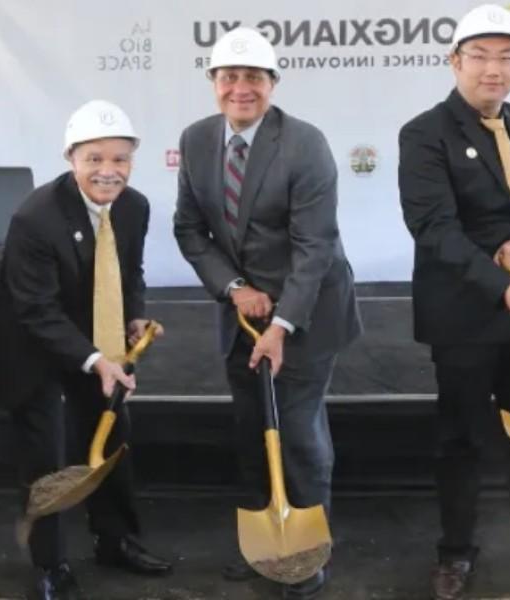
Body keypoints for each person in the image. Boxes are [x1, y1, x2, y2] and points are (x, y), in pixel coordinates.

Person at [396, 5, 510, 599]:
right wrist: (500, 281)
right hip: (462, 313)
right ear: (454, 62)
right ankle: (455, 555)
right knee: (461, 439)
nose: (493, 69)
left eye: (506, 56)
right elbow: (434, 228)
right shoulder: (424, 133)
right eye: (479, 56)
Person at [172, 26, 362, 600]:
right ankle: (265, 542)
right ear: (213, 83)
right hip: (242, 312)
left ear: (273, 83)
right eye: (228, 76)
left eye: (253, 77)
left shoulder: (305, 143)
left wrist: (281, 324)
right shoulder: (198, 139)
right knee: (253, 427)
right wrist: (235, 289)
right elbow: (190, 228)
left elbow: (315, 246)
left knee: (299, 431)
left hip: (307, 308)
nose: (240, 88)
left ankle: (307, 550)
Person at [0, 99, 173, 600]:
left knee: (113, 436)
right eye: (94, 159)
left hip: (93, 336)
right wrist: (95, 359)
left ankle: (116, 541)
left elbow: (128, 270)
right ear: (71, 157)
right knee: (47, 455)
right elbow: (37, 310)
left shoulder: (135, 206)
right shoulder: (36, 217)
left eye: (119, 159)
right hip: (29, 346)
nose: (108, 171)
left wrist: (133, 314)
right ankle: (50, 565)